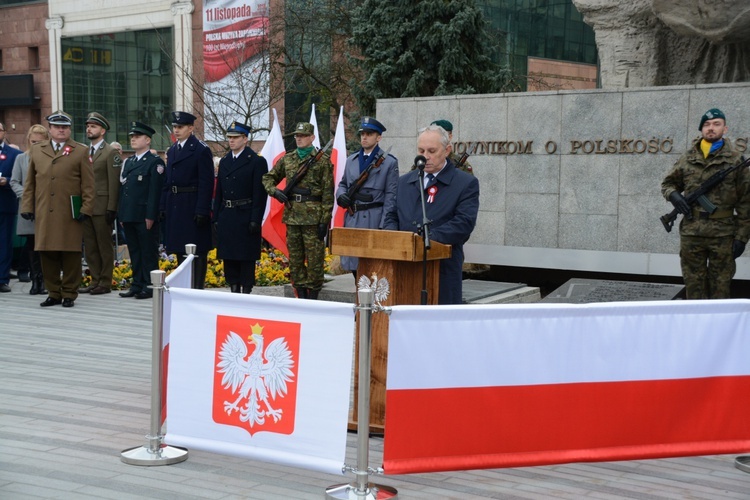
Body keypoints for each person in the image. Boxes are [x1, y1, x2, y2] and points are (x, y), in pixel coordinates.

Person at [384, 124, 480, 304]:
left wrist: (424, 240)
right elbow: (391, 215)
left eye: (432, 150)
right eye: (421, 150)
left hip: (442, 268)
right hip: (404, 266)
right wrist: (395, 240)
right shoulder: (405, 182)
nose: (425, 156)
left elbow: (463, 223)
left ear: (447, 150)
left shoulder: (465, 183)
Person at [661, 108, 750, 299]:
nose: (711, 128)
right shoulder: (687, 158)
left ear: (725, 129)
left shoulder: (736, 160)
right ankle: (695, 326)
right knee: (693, 285)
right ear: (701, 129)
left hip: (723, 234)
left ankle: (718, 327)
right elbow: (668, 184)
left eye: (716, 124)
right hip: (692, 232)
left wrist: (742, 238)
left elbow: (745, 202)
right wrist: (675, 196)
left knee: (721, 286)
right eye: (707, 125)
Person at [20, 111, 95, 307]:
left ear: (69, 129)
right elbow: (30, 183)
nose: (61, 130)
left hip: (70, 211)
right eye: (57, 126)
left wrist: (86, 209)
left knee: (71, 253)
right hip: (44, 210)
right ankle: (53, 292)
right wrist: (27, 206)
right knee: (47, 252)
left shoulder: (80, 150)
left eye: (65, 127)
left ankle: (69, 292)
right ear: (50, 130)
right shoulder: (37, 151)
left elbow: (88, 184)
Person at [262, 122, 334, 299]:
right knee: (295, 259)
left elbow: (327, 193)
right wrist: (276, 192)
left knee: (315, 259)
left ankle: (313, 295)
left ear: (312, 138)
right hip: (293, 216)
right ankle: (300, 294)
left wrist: (325, 221)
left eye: (303, 136)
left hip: (313, 218)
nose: (299, 138)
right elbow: (267, 178)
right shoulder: (288, 159)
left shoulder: (322, 161)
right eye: (297, 136)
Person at [335, 116, 399, 276]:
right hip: (353, 217)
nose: (364, 137)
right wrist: (341, 195)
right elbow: (343, 183)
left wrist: (384, 225)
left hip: (373, 219)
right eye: (362, 133)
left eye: (369, 134)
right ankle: (359, 299)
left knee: (374, 269)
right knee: (354, 268)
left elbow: (391, 196)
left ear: (379, 137)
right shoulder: (352, 160)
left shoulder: (389, 162)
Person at [213, 121, 268, 293]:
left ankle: (246, 289)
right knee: (229, 256)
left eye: (236, 137)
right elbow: (219, 192)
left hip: (245, 214)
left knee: (245, 257)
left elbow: (260, 194)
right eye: (229, 137)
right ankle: (233, 288)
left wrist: (255, 219)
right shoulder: (225, 161)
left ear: (245, 139)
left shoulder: (256, 161)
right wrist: (216, 217)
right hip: (228, 214)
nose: (231, 141)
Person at [160, 111, 214, 289]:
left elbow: (206, 183)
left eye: (180, 127)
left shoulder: (200, 149)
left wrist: (202, 210)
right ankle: (183, 287)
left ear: (191, 128)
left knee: (196, 251)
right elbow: (168, 181)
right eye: (175, 127)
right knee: (180, 251)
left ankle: (196, 289)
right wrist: (163, 205)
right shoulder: (174, 150)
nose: (176, 130)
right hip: (176, 204)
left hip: (191, 204)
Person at [118, 122, 165, 299]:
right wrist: (121, 213)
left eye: (137, 136)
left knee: (148, 251)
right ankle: (137, 284)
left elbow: (155, 192)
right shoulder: (129, 162)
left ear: (147, 140)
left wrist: (151, 215)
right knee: (135, 251)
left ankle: (149, 285)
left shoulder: (155, 162)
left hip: (144, 215)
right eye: (132, 136)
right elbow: (124, 190)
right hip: (129, 214)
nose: (133, 139)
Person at [78, 112, 122, 295]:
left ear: (102, 130)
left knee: (104, 246)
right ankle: (94, 280)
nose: (89, 129)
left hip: (102, 206)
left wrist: (112, 208)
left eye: (93, 126)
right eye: (88, 126)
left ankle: (105, 281)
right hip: (86, 206)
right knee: (90, 246)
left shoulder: (110, 152)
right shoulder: (83, 151)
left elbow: (114, 182)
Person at [10, 124, 49, 295]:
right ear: (28, 141)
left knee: (46, 245)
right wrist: (26, 196)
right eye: (33, 141)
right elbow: (14, 181)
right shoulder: (21, 158)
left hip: (47, 207)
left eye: (40, 142)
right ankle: (36, 280)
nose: (36, 145)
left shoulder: (50, 159)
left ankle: (46, 280)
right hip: (28, 207)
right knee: (32, 244)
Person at [0, 122, 23, 293]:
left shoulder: (15, 154)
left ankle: (2, 279)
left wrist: (6, 181)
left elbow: (21, 179)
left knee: (4, 243)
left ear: (4, 132)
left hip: (5, 204)